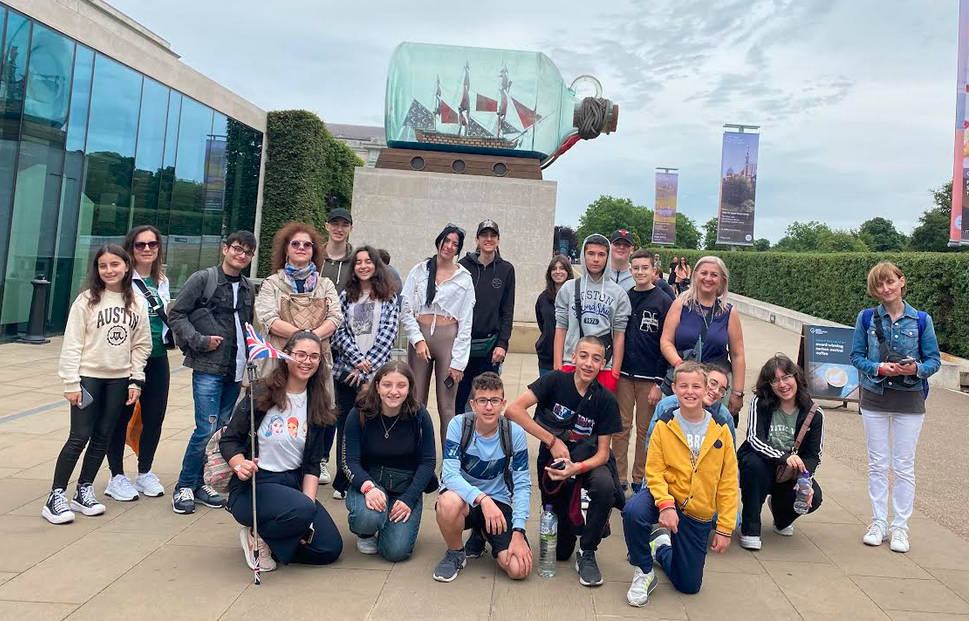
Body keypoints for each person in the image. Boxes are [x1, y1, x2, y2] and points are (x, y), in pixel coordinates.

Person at [505, 336, 624, 587]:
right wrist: (552, 441)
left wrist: (576, 469)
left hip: (587, 461)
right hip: (554, 462)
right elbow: (513, 410)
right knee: (559, 553)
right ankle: (571, 522)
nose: (589, 363)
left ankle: (588, 551)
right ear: (574, 357)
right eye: (584, 356)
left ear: (603, 363)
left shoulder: (606, 399)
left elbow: (603, 454)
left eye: (596, 359)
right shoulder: (555, 381)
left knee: (605, 487)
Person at [46, 245, 151, 524]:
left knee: (103, 436)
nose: (109, 270)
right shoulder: (86, 301)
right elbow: (72, 344)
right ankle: (56, 496)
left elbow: (141, 345)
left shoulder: (137, 303)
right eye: (103, 266)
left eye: (115, 264)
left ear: (126, 266)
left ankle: (84, 490)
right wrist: (71, 382)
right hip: (88, 378)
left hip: (119, 380)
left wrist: (136, 379)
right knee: (79, 436)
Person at [222, 331, 342, 570]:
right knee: (302, 510)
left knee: (329, 548)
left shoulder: (318, 401)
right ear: (286, 356)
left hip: (293, 485)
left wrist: (306, 514)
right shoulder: (261, 392)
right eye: (301, 355)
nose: (307, 361)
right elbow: (229, 440)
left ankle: (269, 536)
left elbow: (312, 465)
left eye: (314, 356)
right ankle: (257, 536)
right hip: (255, 485)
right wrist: (239, 464)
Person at [622, 362, 738, 607]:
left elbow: (728, 481)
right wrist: (665, 505)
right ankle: (644, 570)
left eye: (696, 386)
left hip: (698, 509)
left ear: (705, 389)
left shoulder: (721, 429)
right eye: (683, 386)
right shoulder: (665, 424)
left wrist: (725, 528)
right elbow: (654, 470)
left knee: (688, 586)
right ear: (674, 388)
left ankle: (660, 548)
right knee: (633, 511)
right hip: (666, 495)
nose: (690, 391)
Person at [850, 261, 940, 553]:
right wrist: (879, 367)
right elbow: (856, 356)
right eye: (879, 284)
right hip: (875, 396)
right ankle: (878, 521)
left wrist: (915, 369)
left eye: (890, 281)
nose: (886, 288)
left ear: (902, 281)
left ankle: (900, 526)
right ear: (874, 290)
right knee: (877, 463)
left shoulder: (921, 320)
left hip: (910, 399)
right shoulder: (866, 318)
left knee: (903, 465)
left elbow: (934, 360)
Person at [168, 230, 257, 515]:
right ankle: (184, 485)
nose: (241, 255)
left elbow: (247, 327)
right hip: (208, 366)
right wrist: (199, 340)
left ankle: (200, 483)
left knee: (221, 430)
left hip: (235, 368)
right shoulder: (203, 279)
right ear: (225, 249)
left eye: (247, 252)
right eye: (237, 248)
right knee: (205, 428)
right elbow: (176, 314)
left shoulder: (247, 287)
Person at [255, 222, 343, 485]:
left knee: (316, 409)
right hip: (279, 360)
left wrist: (309, 343)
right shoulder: (272, 284)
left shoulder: (325, 285)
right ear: (286, 249)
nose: (301, 248)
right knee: (274, 407)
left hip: (316, 361)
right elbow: (268, 318)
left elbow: (335, 317)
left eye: (307, 244)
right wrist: (303, 339)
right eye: (296, 244)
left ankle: (314, 463)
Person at [433, 372, 531, 583]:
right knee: (447, 502)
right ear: (473, 404)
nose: (488, 407)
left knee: (518, 569)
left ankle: (481, 532)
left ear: (503, 404)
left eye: (494, 400)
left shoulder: (514, 432)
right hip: (465, 501)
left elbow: (523, 485)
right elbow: (449, 475)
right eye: (482, 401)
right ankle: (455, 553)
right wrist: (483, 500)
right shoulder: (459, 425)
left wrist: (518, 531)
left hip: (498, 502)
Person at [101, 226, 171, 502]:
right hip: (126, 359)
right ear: (130, 248)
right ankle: (116, 476)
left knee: (154, 417)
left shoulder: (161, 280)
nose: (147, 249)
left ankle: (144, 471)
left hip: (157, 356)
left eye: (152, 244)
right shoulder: (122, 280)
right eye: (140, 244)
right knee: (120, 417)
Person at [342, 360, 436, 561]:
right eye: (387, 385)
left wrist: (409, 499)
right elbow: (349, 460)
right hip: (370, 480)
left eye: (401, 385)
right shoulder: (360, 413)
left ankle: (388, 523)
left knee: (396, 551)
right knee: (367, 518)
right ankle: (366, 532)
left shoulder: (419, 415)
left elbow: (428, 462)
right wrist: (368, 488)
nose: (394, 391)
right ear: (377, 386)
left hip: (405, 485)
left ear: (409, 388)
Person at [330, 246, 400, 498]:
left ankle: (368, 477)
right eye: (358, 262)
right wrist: (358, 363)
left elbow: (388, 334)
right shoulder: (345, 296)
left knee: (372, 426)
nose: (363, 266)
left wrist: (368, 371)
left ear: (376, 265)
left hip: (377, 375)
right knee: (346, 427)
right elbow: (339, 333)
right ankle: (343, 479)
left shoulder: (388, 297)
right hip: (347, 372)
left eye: (368, 261)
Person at [737, 354, 823, 550]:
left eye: (786, 377)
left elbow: (813, 455)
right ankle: (750, 527)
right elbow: (754, 438)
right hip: (761, 464)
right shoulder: (760, 402)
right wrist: (784, 457)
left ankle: (782, 519)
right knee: (754, 465)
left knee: (814, 497)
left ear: (796, 377)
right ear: (769, 385)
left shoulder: (814, 413)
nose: (782, 384)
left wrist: (805, 480)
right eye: (775, 380)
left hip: (790, 473)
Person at [401, 224, 475, 447]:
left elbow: (466, 323)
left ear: (459, 249)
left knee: (447, 406)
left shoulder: (464, 278)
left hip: (448, 340)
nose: (449, 246)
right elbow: (406, 309)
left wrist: (459, 362)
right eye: (446, 240)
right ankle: (413, 453)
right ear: (439, 241)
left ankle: (450, 460)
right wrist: (417, 340)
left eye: (455, 244)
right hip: (421, 337)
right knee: (415, 401)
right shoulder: (420, 270)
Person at [660, 256, 746, 423]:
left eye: (714, 275)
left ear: (722, 280)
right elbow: (666, 341)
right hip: (684, 382)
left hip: (714, 390)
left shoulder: (729, 312)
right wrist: (681, 365)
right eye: (704, 273)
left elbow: (738, 355)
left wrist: (737, 392)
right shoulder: (680, 305)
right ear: (695, 276)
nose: (708, 278)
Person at [614, 251, 672, 494]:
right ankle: (619, 478)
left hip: (650, 378)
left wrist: (660, 381)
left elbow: (667, 342)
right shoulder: (625, 297)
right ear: (630, 270)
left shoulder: (664, 301)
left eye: (644, 268)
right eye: (636, 268)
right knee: (621, 427)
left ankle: (640, 479)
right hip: (625, 374)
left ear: (653, 270)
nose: (640, 272)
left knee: (645, 430)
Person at [553, 234, 631, 393]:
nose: (596, 259)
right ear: (583, 255)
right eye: (591, 253)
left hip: (603, 367)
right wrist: (558, 365)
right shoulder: (568, 288)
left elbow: (619, 335)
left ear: (607, 257)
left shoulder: (618, 294)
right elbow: (561, 328)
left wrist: (615, 372)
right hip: (571, 363)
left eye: (601, 254)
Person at [456, 219, 516, 413]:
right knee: (460, 398)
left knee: (487, 399)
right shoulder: (463, 266)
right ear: (477, 239)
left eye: (493, 235)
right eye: (484, 235)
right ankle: (461, 432)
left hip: (491, 347)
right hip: (464, 345)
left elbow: (507, 310)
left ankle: (484, 432)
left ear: (498, 240)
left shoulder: (506, 269)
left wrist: (502, 344)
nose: (488, 239)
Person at [646, 364, 737, 454]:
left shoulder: (723, 415)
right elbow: (652, 446)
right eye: (713, 384)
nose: (716, 391)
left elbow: (730, 453)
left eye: (722, 390)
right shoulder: (667, 406)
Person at [535, 255, 573, 377]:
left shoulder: (576, 297)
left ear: (568, 272)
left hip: (569, 356)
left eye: (562, 268)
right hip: (547, 356)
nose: (558, 272)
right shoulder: (543, 298)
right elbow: (542, 323)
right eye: (554, 269)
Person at [321, 207, 354, 294]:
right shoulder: (313, 257)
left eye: (345, 225)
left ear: (351, 228)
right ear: (327, 226)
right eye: (335, 224)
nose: (339, 229)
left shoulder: (356, 262)